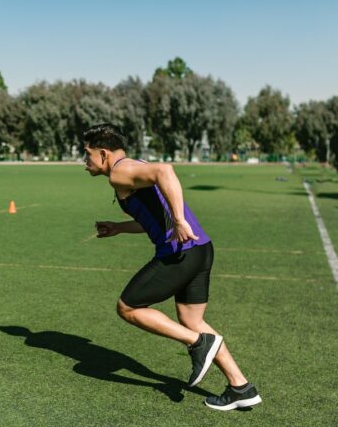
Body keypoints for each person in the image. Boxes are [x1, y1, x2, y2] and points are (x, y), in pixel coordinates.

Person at [83, 123, 261, 411]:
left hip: (181, 252)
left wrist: (179, 220)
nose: (84, 162)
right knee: (193, 320)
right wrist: (119, 227)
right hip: (200, 249)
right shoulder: (131, 168)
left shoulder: (119, 171)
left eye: (87, 155)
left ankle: (196, 343)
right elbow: (152, 216)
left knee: (128, 307)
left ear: (103, 154)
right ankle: (240, 386)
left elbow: (165, 170)